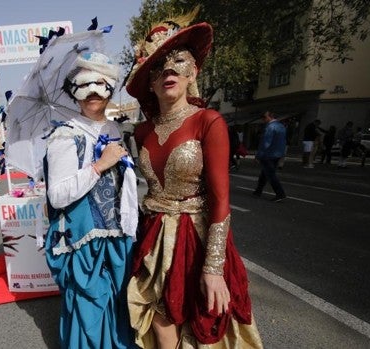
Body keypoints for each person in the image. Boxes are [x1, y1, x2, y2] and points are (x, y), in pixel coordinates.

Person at [124, 8, 263, 348]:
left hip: (198, 236)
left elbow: (220, 199)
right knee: (160, 315)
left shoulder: (208, 121)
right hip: (155, 235)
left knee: (205, 319)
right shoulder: (142, 132)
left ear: (194, 72)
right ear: (149, 82)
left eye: (178, 61)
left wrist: (213, 268)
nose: (168, 70)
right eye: (157, 66)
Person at [44, 51, 138, 349]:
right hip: (85, 240)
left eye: (100, 84)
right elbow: (57, 196)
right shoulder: (64, 136)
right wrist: (99, 165)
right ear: (74, 92)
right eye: (85, 86)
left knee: (119, 302)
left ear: (111, 87)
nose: (94, 92)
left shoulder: (115, 130)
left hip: (119, 235)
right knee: (90, 307)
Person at [253, 111, 288, 202]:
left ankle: (280, 194)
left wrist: (258, 155)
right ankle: (258, 191)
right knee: (265, 173)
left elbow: (266, 143)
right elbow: (283, 141)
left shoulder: (270, 127)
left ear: (270, 117)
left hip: (268, 154)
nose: (263, 119)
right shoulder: (281, 126)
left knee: (271, 174)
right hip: (277, 153)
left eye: (264, 117)